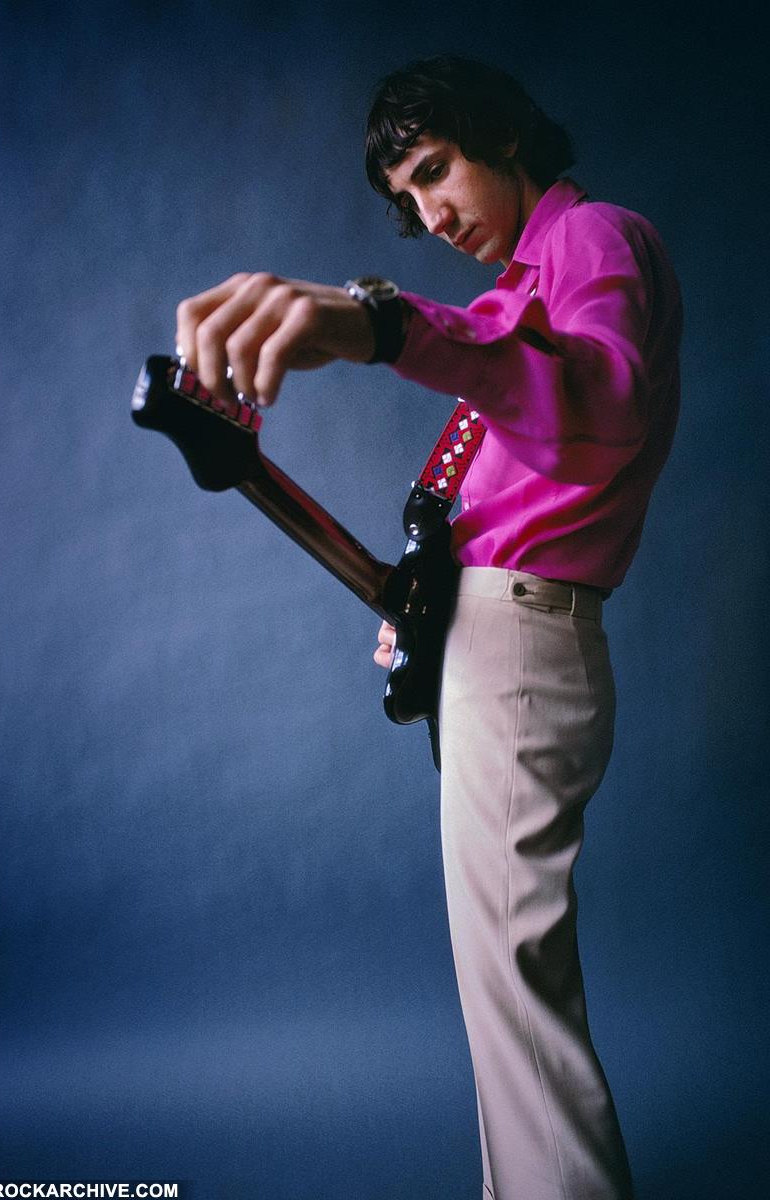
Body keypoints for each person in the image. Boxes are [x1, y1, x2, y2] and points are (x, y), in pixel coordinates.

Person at [175, 56, 682, 1200]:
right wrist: (428, 599)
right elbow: (505, 478)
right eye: (406, 200)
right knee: (506, 1016)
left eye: (435, 170)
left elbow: (600, 406)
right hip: (490, 641)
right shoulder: (513, 298)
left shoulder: (591, 238)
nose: (429, 216)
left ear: (499, 134)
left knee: (519, 1019)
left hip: (523, 649)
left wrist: (381, 324)